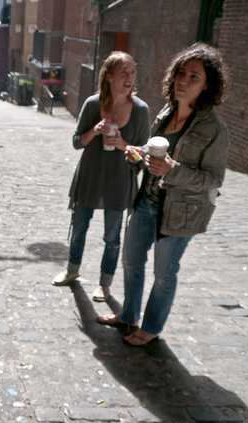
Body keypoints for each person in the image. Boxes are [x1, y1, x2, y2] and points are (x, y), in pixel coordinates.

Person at [97, 43, 229, 346]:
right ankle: (128, 316)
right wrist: (135, 152)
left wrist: (172, 169)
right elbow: (153, 151)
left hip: (181, 212)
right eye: (181, 74)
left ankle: (151, 328)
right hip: (147, 201)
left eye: (194, 77)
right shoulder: (167, 112)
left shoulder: (215, 130)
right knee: (131, 261)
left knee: (164, 274)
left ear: (207, 85)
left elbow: (213, 180)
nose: (183, 81)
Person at [52, 52, 150, 303]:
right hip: (90, 177)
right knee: (79, 228)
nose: (129, 78)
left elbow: (142, 153)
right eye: (123, 73)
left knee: (112, 238)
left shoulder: (140, 110)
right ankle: (72, 270)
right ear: (108, 77)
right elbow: (76, 142)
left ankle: (104, 285)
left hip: (119, 182)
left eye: (132, 72)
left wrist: (122, 144)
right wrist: (93, 131)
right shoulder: (93, 104)